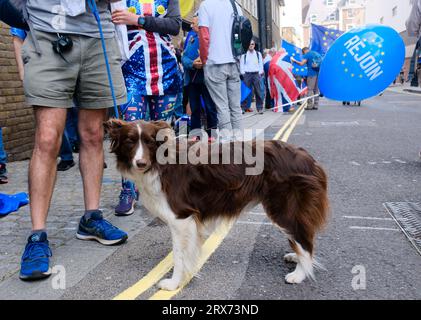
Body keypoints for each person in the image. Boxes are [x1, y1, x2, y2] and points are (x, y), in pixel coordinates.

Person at [18, 0, 128, 281]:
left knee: (93, 135)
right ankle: (37, 236)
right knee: (47, 138)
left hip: (98, 36)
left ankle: (91, 218)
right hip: (48, 33)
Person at [111, 0, 181, 216]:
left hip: (166, 71)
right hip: (131, 71)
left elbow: (174, 25)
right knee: (129, 133)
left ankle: (162, 186)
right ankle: (128, 190)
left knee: (161, 136)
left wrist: (138, 20)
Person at [10, 27, 77, 172]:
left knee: (83, 116)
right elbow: (17, 39)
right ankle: (66, 156)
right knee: (51, 122)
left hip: (73, 61)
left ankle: (88, 153)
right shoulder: (24, 5)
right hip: (45, 67)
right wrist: (22, 71)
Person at [198, 0, 243, 140]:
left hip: (215, 62)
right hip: (233, 62)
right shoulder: (235, 6)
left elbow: (204, 36)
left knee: (222, 106)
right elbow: (243, 35)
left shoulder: (206, 5)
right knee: (236, 107)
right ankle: (239, 141)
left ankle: (228, 144)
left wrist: (204, 60)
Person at [182, 12, 218, 141]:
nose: (191, 26)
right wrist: (192, 64)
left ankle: (212, 135)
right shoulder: (191, 39)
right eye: (191, 23)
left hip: (207, 80)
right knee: (195, 108)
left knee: (210, 108)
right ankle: (195, 134)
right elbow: (183, 57)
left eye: (194, 23)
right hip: (192, 80)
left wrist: (203, 62)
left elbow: (214, 57)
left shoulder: (211, 39)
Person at [240, 39, 264, 114]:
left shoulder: (258, 54)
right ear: (248, 45)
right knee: (245, 92)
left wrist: (259, 73)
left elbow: (261, 64)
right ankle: (243, 108)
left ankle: (259, 108)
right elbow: (241, 65)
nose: (251, 45)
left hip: (256, 74)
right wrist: (243, 73)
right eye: (250, 44)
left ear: (254, 45)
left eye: (252, 44)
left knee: (258, 91)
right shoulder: (244, 55)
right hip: (247, 74)